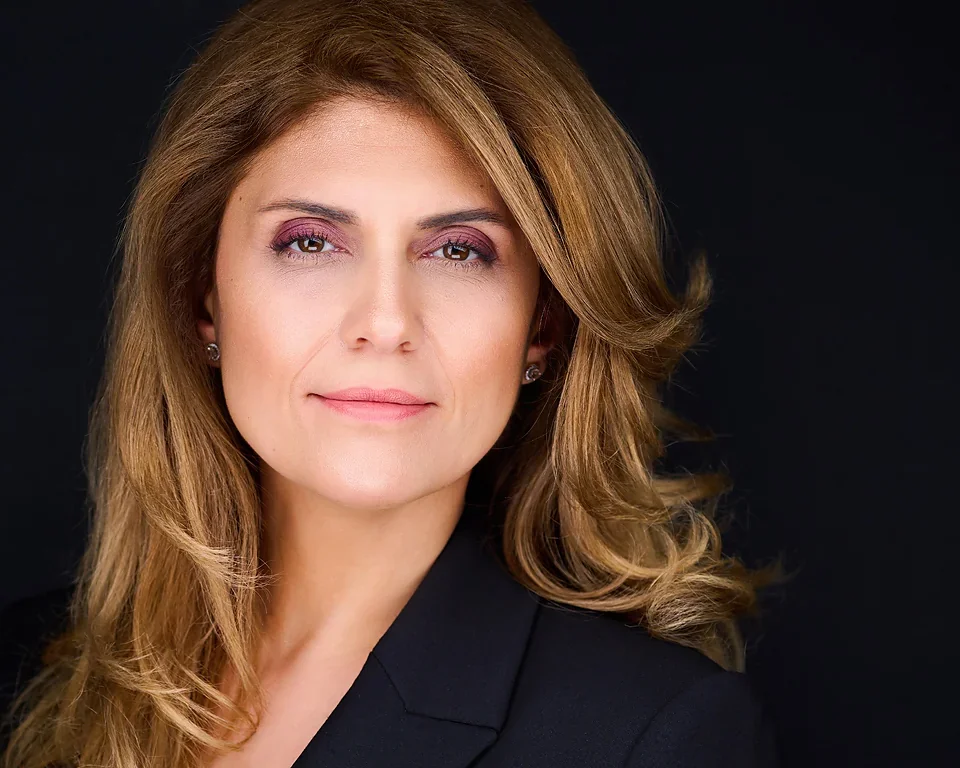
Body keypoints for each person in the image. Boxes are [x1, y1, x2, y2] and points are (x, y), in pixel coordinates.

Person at [0, 0, 782, 765]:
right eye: (310, 242)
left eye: (458, 251)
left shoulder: (651, 735)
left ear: (540, 327)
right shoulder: (25, 672)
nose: (384, 320)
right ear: (202, 298)